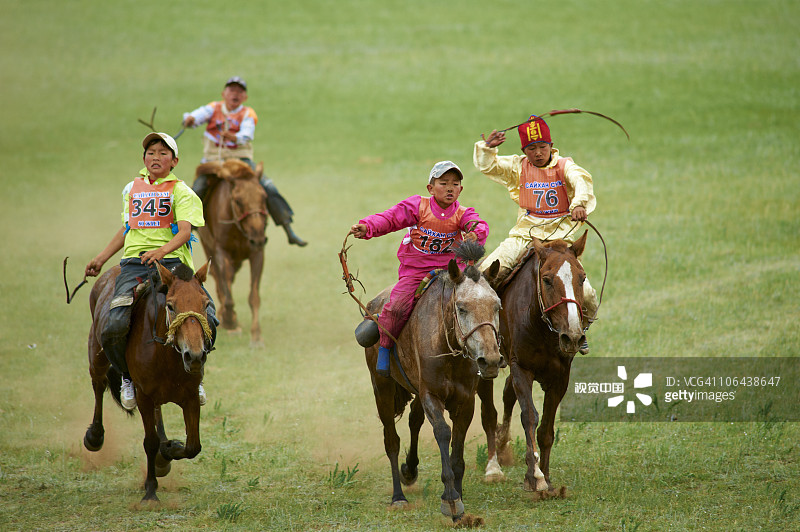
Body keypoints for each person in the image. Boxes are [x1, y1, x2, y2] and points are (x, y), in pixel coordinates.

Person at [85, 132, 216, 411]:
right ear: (144, 158)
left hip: (175, 267)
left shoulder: (182, 192)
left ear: (174, 161)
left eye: (163, 153)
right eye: (151, 152)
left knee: (211, 317)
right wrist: (101, 257)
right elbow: (126, 228)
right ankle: (128, 377)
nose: (156, 157)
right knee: (114, 323)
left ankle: (196, 375)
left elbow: (184, 233)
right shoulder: (130, 189)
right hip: (135, 264)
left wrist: (162, 252)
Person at [349, 161, 489, 377]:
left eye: (455, 184)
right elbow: (389, 219)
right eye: (444, 183)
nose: (450, 188)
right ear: (430, 188)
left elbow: (477, 224)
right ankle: (385, 349)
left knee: (482, 301)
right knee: (395, 308)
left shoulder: (462, 213)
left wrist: (475, 233)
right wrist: (367, 226)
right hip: (415, 271)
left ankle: (492, 348)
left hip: (452, 271)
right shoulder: (417, 206)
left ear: (461, 189)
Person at [474, 114, 598, 353]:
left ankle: (579, 330)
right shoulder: (518, 166)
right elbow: (489, 166)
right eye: (532, 148)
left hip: (560, 239)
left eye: (543, 147)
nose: (538, 153)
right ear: (524, 150)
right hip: (524, 235)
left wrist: (580, 203)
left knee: (590, 296)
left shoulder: (565, 166)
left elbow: (581, 181)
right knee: (485, 275)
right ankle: (489, 335)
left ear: (552, 146)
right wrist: (488, 149)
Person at [182, 76, 307, 246]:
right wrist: (189, 119)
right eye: (232, 90)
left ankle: (288, 229)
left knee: (268, 187)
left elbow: (247, 134)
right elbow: (195, 116)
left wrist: (235, 137)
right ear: (224, 93)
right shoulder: (213, 108)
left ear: (245, 97)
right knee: (197, 190)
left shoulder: (248, 113)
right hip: (213, 162)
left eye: (240, 92)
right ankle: (185, 232)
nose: (235, 94)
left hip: (241, 162)